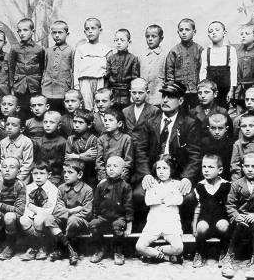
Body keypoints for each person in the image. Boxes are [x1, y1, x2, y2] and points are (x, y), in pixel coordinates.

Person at [133, 80, 201, 230]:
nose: (165, 100)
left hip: (178, 175)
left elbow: (195, 156)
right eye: (163, 96)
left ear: (181, 100)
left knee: (189, 197)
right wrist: (146, 174)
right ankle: (146, 232)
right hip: (154, 174)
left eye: (170, 97)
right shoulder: (150, 122)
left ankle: (182, 234)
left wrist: (187, 177)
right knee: (138, 195)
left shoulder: (189, 123)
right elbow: (140, 151)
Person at [223, 152, 254, 280]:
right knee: (240, 225)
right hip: (242, 219)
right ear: (242, 167)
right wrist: (236, 215)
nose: (250, 169)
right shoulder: (236, 184)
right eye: (246, 166)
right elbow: (230, 204)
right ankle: (229, 257)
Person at [135, 155, 184, 263]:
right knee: (140, 247)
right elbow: (148, 200)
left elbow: (179, 200)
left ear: (172, 170)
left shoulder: (177, 184)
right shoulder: (152, 183)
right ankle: (162, 256)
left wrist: (159, 199)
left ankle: (159, 250)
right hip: (154, 223)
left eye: (165, 168)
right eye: (158, 168)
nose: (161, 171)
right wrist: (167, 199)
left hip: (171, 223)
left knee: (178, 248)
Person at [45, 159, 93, 266]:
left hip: (80, 223)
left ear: (79, 175)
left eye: (70, 172)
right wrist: (73, 210)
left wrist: (69, 213)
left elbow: (86, 212)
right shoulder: (61, 188)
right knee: (49, 219)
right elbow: (58, 209)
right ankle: (70, 250)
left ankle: (61, 249)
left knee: (73, 220)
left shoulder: (87, 190)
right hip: (64, 220)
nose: (66, 175)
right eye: (65, 172)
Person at [89, 156, 133, 265]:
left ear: (122, 170)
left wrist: (129, 225)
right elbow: (96, 203)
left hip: (118, 218)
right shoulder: (101, 185)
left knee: (118, 227)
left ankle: (118, 251)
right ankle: (100, 249)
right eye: (108, 166)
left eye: (115, 166)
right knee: (93, 225)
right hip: (103, 217)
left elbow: (128, 206)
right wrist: (94, 217)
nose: (111, 169)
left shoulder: (125, 186)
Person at [192, 154, 231, 268]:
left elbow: (230, 206)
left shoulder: (226, 186)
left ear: (220, 170)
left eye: (210, 167)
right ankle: (199, 252)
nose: (206, 170)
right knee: (201, 227)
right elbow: (198, 207)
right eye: (204, 167)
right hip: (205, 220)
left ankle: (224, 252)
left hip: (220, 220)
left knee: (223, 225)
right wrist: (194, 225)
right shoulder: (200, 186)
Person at [0, 156, 26, 261]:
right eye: (4, 167)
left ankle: (10, 245)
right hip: (1, 217)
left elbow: (20, 210)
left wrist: (0, 205)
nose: (7, 170)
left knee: (9, 217)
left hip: (14, 220)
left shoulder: (20, 186)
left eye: (12, 167)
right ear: (0, 170)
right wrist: (11, 207)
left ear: (18, 172)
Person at [19, 161, 60, 260]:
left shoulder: (53, 189)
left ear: (49, 175)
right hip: (32, 216)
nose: (38, 177)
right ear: (31, 174)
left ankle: (42, 247)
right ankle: (35, 246)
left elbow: (48, 211)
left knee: (38, 219)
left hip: (45, 220)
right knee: (23, 220)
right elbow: (26, 208)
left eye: (42, 173)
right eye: (35, 173)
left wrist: (32, 207)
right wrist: (33, 209)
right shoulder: (28, 188)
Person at [8, 17, 45, 117]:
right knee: (20, 112)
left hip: (35, 86)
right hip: (19, 86)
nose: (22, 33)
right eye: (19, 31)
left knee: (35, 111)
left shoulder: (39, 49)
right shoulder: (14, 49)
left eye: (25, 30)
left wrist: (40, 83)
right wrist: (12, 86)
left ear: (33, 31)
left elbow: (42, 68)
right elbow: (11, 68)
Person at [73, 17, 111, 111]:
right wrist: (76, 86)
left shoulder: (106, 49)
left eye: (93, 28)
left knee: (100, 106)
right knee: (87, 107)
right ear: (84, 32)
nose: (90, 31)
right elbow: (76, 69)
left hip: (100, 81)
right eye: (87, 29)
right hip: (85, 81)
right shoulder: (80, 49)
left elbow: (109, 70)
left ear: (100, 30)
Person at [165, 18, 203, 111]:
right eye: (181, 30)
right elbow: (169, 73)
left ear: (194, 32)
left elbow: (203, 70)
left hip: (196, 90)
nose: (184, 32)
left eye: (187, 30)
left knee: (197, 113)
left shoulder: (199, 49)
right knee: (181, 114)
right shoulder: (174, 51)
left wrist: (201, 87)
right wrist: (173, 90)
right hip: (180, 91)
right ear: (178, 32)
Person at [199, 21, 237, 107]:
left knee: (223, 110)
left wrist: (231, 90)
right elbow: (203, 72)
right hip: (210, 89)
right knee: (210, 109)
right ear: (208, 35)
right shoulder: (206, 51)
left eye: (217, 30)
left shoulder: (231, 50)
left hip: (225, 89)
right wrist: (203, 89)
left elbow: (234, 71)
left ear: (224, 32)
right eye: (211, 31)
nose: (214, 33)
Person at [41, 20, 74, 114]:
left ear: (67, 34)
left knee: (62, 114)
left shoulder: (71, 50)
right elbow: (45, 69)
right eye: (54, 33)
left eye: (60, 32)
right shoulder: (48, 51)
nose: (57, 35)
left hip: (63, 89)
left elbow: (73, 70)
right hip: (47, 89)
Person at [95, 105, 133, 182]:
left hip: (121, 178)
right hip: (106, 177)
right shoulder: (101, 139)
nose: (107, 123)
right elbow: (99, 161)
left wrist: (122, 178)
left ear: (119, 124)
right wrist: (103, 178)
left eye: (110, 120)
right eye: (105, 120)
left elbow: (128, 161)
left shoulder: (126, 139)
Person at [106, 28, 140, 108]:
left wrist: (132, 95)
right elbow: (107, 78)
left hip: (126, 94)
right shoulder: (111, 58)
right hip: (113, 94)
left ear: (129, 42)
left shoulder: (133, 59)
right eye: (116, 40)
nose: (119, 42)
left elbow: (134, 79)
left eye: (122, 40)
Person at [64, 109, 98, 188]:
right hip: (73, 175)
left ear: (89, 125)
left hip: (90, 175)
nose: (76, 125)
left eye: (80, 122)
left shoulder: (93, 139)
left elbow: (93, 159)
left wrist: (76, 156)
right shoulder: (70, 139)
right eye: (75, 122)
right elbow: (68, 158)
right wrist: (84, 155)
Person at [233, 24, 254, 107]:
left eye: (247, 34)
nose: (243, 36)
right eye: (242, 34)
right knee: (239, 111)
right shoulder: (235, 53)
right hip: (238, 90)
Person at [32, 111, 66, 186]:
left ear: (59, 125)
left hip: (56, 177)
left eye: (52, 122)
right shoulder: (38, 142)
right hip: (40, 176)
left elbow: (65, 164)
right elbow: (34, 162)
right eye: (45, 122)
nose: (47, 125)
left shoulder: (63, 142)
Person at [200, 112, 235, 180]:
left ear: (226, 129)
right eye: (213, 128)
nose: (216, 132)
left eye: (220, 128)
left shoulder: (231, 144)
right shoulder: (203, 143)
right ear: (209, 128)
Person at [0, 114, 33, 183]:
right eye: (7, 124)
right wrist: (1, 175)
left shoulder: (27, 142)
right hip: (5, 175)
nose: (9, 127)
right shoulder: (3, 142)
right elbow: (2, 160)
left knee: (17, 187)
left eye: (13, 125)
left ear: (21, 129)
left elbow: (27, 164)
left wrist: (18, 178)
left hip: (21, 176)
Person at [139, 24, 166, 106]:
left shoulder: (165, 55)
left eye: (153, 36)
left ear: (161, 38)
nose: (150, 39)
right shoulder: (141, 56)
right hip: (143, 95)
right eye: (147, 36)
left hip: (158, 94)